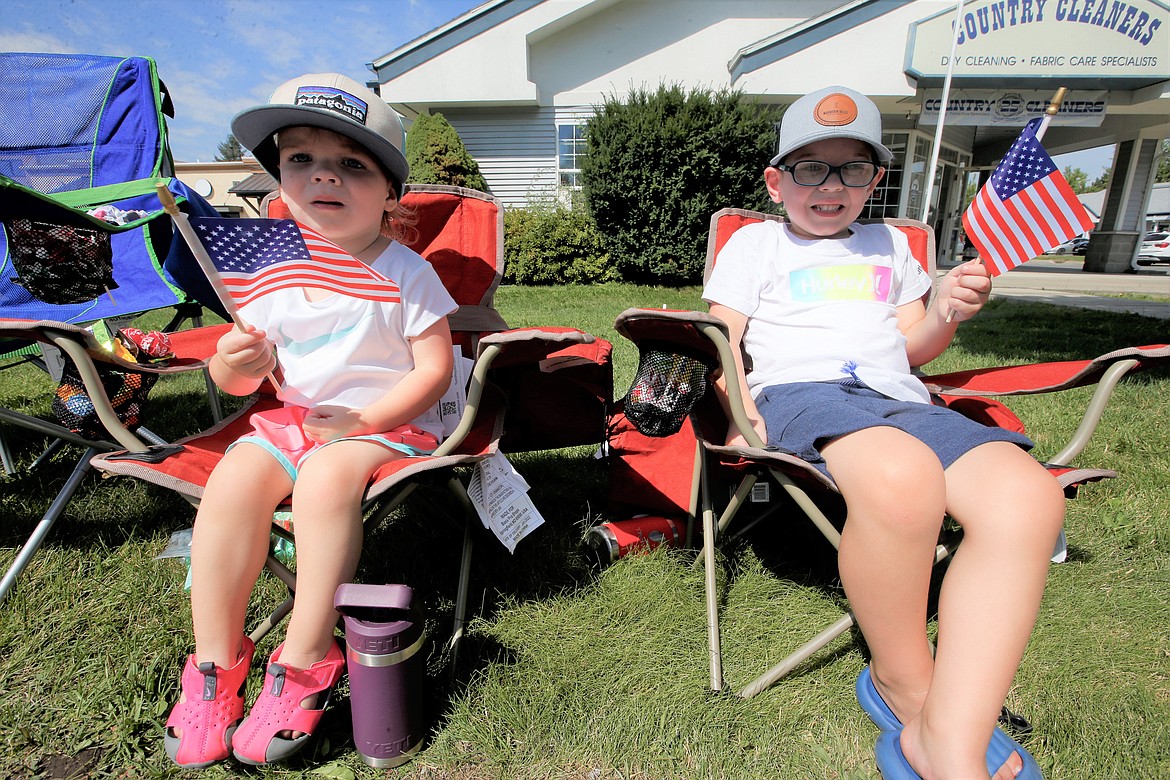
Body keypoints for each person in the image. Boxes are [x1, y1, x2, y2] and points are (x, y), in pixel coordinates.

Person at [703, 86, 1063, 780]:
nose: (831, 186)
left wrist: (947, 310)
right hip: (800, 394)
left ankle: (952, 726)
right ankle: (906, 687)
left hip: (896, 397)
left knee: (1029, 501)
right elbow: (725, 340)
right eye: (811, 168)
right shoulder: (755, 246)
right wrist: (742, 415)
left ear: (875, 179)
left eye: (852, 169)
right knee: (902, 478)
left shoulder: (891, 245)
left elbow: (914, 347)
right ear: (777, 182)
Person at [163, 73, 457, 768]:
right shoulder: (272, 271)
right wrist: (236, 358)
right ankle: (215, 664)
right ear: (279, 181)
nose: (323, 174)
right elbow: (233, 382)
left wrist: (361, 420)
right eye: (301, 159)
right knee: (234, 474)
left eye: (352, 164)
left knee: (326, 479)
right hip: (294, 421)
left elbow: (432, 371)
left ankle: (304, 658)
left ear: (390, 192)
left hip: (386, 425)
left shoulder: (406, 273)